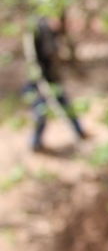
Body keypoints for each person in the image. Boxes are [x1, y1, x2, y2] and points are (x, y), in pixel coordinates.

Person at [23, 17, 87, 152]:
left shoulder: (47, 29)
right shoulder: (40, 28)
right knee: (41, 111)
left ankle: (79, 132)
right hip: (41, 80)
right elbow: (47, 52)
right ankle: (36, 142)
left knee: (61, 105)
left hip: (49, 78)